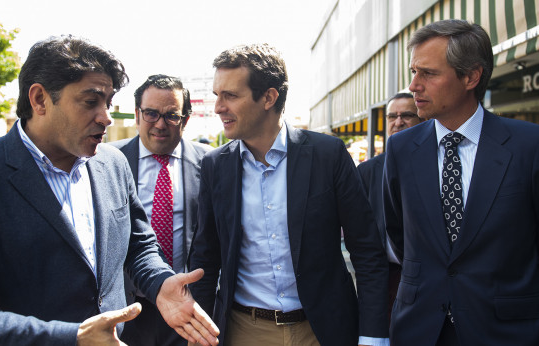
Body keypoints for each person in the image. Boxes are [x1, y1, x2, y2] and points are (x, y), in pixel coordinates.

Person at [0, 36, 219, 346]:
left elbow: (138, 246)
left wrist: (160, 282)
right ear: (40, 99)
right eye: (90, 101)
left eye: (107, 103)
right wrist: (72, 338)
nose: (106, 117)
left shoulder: (112, 164)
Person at [383, 19, 539, 345]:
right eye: (413, 72)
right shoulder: (401, 148)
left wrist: (509, 296)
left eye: (427, 73)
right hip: (421, 330)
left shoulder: (532, 146)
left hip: (507, 332)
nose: (414, 85)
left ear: (471, 76)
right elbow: (399, 235)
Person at [188, 43, 389, 346]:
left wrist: (373, 336)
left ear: (268, 97)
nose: (218, 107)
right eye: (217, 95)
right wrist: (197, 334)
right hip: (244, 331)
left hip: (323, 331)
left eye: (230, 95)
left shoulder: (328, 155)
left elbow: (367, 251)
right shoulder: (216, 165)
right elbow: (206, 256)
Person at [110, 74, 212, 346]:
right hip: (126, 308)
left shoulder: (211, 163)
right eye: (151, 114)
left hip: (188, 307)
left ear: (186, 120)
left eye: (171, 116)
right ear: (137, 115)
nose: (160, 124)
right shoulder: (107, 161)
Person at [357, 93, 421, 322]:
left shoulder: (435, 166)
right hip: (385, 282)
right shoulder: (367, 172)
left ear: (422, 119)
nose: (398, 121)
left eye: (407, 115)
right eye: (392, 116)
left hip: (428, 282)